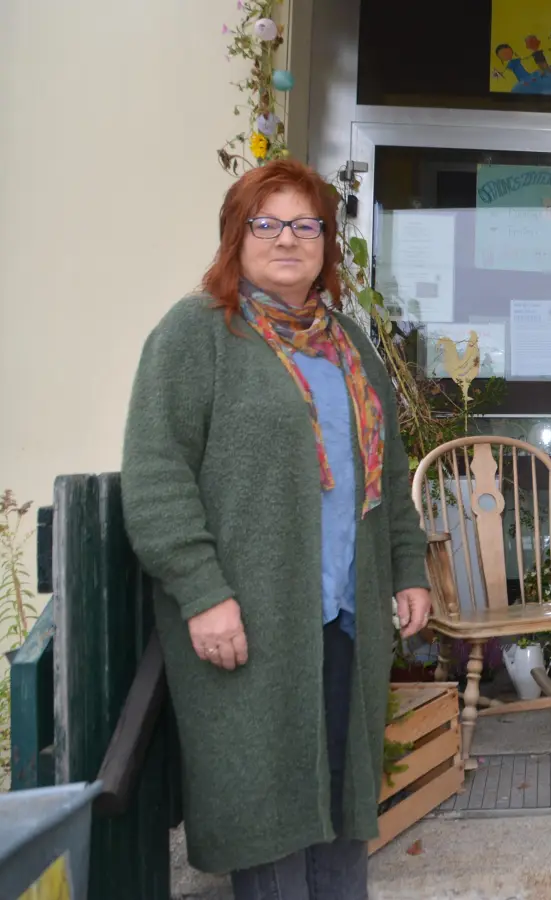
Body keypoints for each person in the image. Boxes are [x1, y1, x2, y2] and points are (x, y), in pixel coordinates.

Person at [120, 158, 433, 897]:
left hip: (346, 619)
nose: (287, 238)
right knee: (267, 811)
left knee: (340, 803)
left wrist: (409, 566)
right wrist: (203, 592)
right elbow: (157, 474)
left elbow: (385, 475)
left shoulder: (350, 348)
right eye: (268, 223)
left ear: (326, 242)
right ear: (237, 235)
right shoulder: (198, 334)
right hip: (249, 622)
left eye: (306, 224)